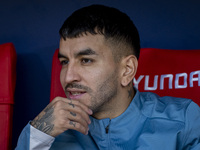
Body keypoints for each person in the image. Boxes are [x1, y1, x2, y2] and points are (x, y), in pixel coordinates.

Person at [15, 4, 200, 150]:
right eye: (64, 61)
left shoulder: (183, 121)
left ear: (127, 70)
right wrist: (37, 136)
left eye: (86, 60)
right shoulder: (47, 131)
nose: (68, 77)